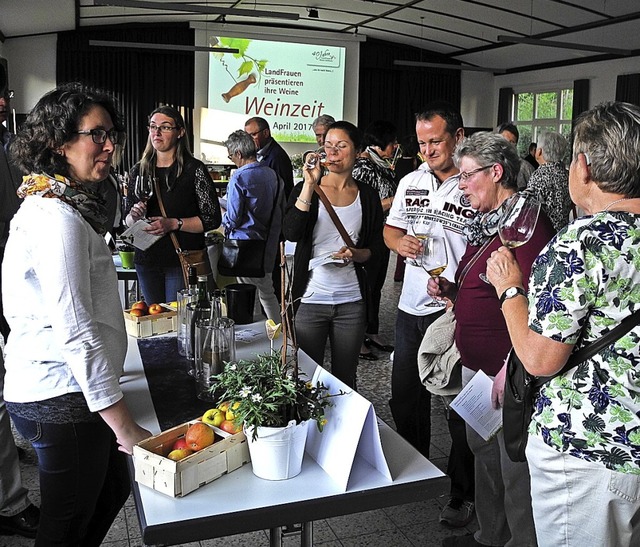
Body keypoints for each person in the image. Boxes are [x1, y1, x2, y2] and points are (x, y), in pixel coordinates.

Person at [4, 82, 151, 546]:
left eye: (112, 134)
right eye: (96, 134)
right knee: (65, 525)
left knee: (108, 490)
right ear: (58, 142)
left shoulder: (63, 206)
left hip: (69, 391)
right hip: (62, 396)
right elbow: (74, 328)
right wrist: (124, 425)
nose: (109, 145)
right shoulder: (55, 218)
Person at [487, 101, 640, 547]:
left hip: (588, 451)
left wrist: (509, 289)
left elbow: (539, 359)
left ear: (584, 166)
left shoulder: (581, 244)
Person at [430, 132, 555, 547]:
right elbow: (488, 282)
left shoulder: (528, 226)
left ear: (495, 171)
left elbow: (541, 306)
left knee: (513, 469)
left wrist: (509, 367)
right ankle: (489, 537)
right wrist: (454, 291)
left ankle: (518, 541)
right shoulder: (489, 221)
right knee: (483, 457)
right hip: (477, 369)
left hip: (508, 373)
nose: (461, 185)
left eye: (466, 176)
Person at [383, 102, 476, 527]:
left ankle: (461, 494)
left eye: (435, 141)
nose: (428, 150)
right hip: (410, 308)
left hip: (456, 311)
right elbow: (391, 229)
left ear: (458, 137)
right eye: (421, 143)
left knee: (459, 410)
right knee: (405, 397)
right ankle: (417, 469)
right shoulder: (411, 180)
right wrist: (398, 244)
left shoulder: (475, 182)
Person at [283, 121, 383, 390]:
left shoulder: (368, 196)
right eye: (328, 146)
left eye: (341, 146)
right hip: (311, 299)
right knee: (305, 378)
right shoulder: (307, 189)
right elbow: (291, 231)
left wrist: (355, 253)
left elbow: (375, 249)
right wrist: (308, 185)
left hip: (352, 301)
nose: (333, 152)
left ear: (358, 151)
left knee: (345, 380)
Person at [125, 106, 221, 304]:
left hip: (181, 259)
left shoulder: (194, 170)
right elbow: (127, 219)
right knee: (153, 321)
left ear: (180, 132)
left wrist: (173, 223)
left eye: (165, 127)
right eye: (153, 127)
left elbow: (212, 218)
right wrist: (134, 216)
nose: (156, 132)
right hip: (147, 259)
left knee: (178, 323)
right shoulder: (139, 170)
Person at [222, 130, 283, 323]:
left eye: (231, 156)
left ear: (238, 154)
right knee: (266, 291)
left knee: (252, 295)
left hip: (243, 245)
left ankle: (269, 335)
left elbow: (233, 218)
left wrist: (221, 217)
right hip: (267, 243)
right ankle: (280, 334)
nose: (232, 160)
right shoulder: (272, 175)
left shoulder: (238, 178)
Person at [352, 119, 398, 360]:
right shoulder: (363, 168)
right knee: (365, 288)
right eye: (391, 143)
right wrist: (394, 201)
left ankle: (372, 331)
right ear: (380, 144)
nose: (395, 147)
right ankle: (357, 340)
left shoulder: (382, 165)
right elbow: (361, 207)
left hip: (383, 233)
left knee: (377, 287)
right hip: (367, 236)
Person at [525, 131, 572, 231]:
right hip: (563, 233)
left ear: (539, 151)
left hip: (544, 236)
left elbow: (529, 213)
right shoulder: (567, 175)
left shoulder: (539, 176)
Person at [244, 116, 294, 199]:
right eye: (247, 136)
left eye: (253, 135)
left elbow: (283, 192)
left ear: (266, 133)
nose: (249, 140)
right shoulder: (257, 153)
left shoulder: (277, 157)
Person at [496, 122, 534, 189]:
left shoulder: (525, 168)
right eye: (504, 141)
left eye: (512, 142)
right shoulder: (489, 164)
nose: (507, 145)